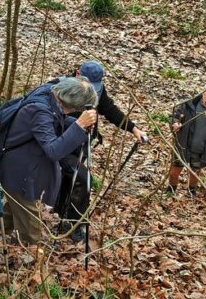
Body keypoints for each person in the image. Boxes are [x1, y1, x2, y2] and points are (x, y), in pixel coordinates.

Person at [0, 77, 98, 244]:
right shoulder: (40, 110)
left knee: (14, 204)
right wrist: (79, 125)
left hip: (24, 164)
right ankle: (29, 257)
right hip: (19, 170)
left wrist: (74, 123)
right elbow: (53, 150)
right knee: (29, 220)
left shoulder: (49, 94)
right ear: (73, 105)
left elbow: (56, 120)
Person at [53, 60, 146, 236]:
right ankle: (74, 224)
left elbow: (110, 110)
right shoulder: (59, 87)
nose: (91, 89)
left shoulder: (98, 90)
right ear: (77, 74)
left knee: (71, 180)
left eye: (94, 86)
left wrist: (134, 129)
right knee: (81, 178)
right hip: (60, 143)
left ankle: (64, 216)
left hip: (81, 143)